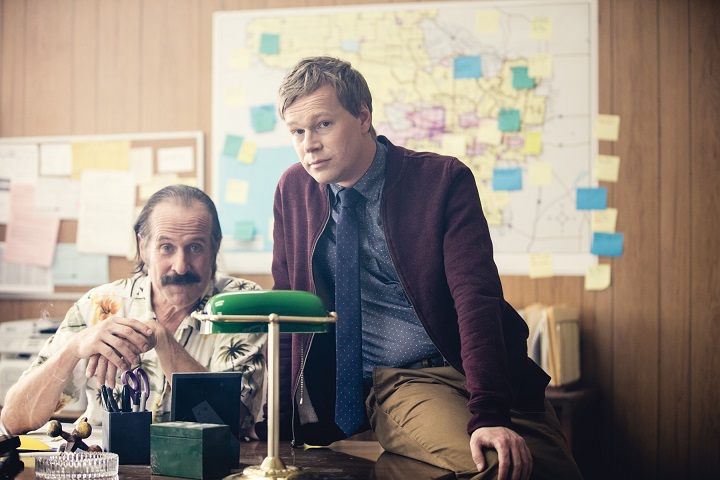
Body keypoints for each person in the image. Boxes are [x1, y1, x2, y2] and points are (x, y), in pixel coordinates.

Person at [272, 56, 583, 480]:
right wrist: (277, 422)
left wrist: (490, 411)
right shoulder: (293, 190)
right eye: (297, 132)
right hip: (401, 381)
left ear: (363, 117)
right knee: (497, 467)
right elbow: (287, 310)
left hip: (483, 368)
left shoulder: (442, 180)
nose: (309, 144)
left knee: (556, 472)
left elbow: (476, 298)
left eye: (323, 124)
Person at [0, 185, 266, 437]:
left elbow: (228, 424)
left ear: (215, 247)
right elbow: (13, 420)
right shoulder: (100, 304)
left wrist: (163, 341)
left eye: (195, 247)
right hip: (105, 462)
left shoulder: (241, 305)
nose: (181, 266)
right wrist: (74, 348)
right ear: (143, 247)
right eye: (166, 247)